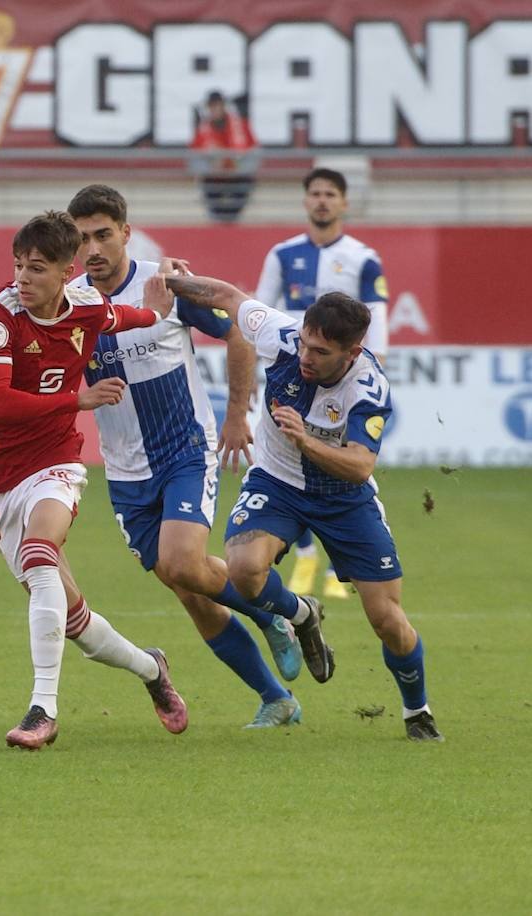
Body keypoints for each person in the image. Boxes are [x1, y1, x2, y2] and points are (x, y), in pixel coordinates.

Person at [162, 271, 442, 742]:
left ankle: (417, 711)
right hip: (277, 482)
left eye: (321, 353)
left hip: (344, 499)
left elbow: (358, 465)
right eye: (306, 345)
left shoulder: (368, 387)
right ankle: (300, 615)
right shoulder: (282, 333)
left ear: (351, 352)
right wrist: (168, 280)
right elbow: (228, 296)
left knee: (388, 622)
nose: (306, 358)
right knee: (244, 569)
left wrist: (305, 439)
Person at [65, 185, 307, 728]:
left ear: (126, 232)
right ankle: (276, 697)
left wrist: (236, 415)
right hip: (126, 472)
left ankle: (281, 611)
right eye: (82, 240)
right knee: (190, 590)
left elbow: (242, 331)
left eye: (104, 234)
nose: (94, 248)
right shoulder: (71, 303)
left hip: (184, 453)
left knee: (182, 563)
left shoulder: (169, 284)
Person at [0, 210, 188, 750]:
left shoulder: (85, 307)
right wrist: (78, 399)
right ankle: (151, 669)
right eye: (18, 265)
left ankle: (43, 710)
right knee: (71, 617)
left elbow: (124, 316)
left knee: (41, 555)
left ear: (68, 272)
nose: (22, 278)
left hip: (55, 461)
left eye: (36, 268)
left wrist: (155, 312)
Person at [256, 167, 390, 599]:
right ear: (305, 200)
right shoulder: (282, 254)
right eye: (314, 193)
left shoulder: (363, 258)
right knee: (286, 463)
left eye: (330, 194)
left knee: (344, 463)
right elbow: (261, 308)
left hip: (339, 378)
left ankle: (338, 564)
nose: (322, 201)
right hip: (294, 374)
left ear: (344, 202)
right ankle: (306, 553)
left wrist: (365, 376)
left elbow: (377, 325)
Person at [188, 90, 258, 223]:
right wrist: (210, 166)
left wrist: (237, 167)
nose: (214, 110)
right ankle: (219, 221)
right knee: (209, 190)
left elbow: (253, 152)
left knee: (244, 187)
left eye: (217, 105)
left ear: (223, 106)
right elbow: (194, 157)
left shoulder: (241, 126)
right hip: (213, 179)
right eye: (211, 106)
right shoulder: (203, 130)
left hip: (239, 177)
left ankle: (230, 220)